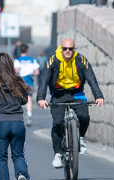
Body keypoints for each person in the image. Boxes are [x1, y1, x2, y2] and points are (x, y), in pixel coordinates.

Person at [36, 38, 104, 169]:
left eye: (70, 49)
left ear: (74, 49)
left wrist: (98, 96)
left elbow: (91, 77)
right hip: (58, 94)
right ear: (61, 49)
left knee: (84, 116)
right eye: (65, 49)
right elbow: (44, 78)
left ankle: (81, 139)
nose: (68, 51)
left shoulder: (80, 60)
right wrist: (41, 98)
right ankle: (57, 154)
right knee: (57, 122)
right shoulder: (53, 61)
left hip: (76, 93)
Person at [14, 44, 40, 126]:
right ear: (26, 50)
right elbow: (37, 72)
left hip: (20, 81)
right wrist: (32, 74)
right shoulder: (32, 60)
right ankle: (29, 114)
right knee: (29, 98)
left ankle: (17, 115)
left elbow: (17, 71)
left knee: (18, 98)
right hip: (29, 81)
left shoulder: (17, 60)